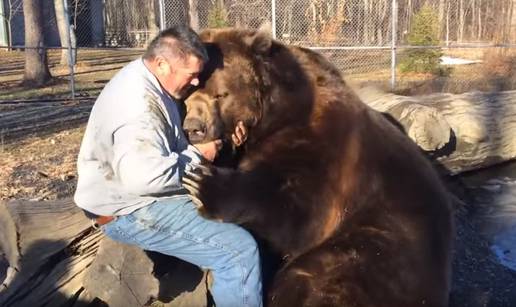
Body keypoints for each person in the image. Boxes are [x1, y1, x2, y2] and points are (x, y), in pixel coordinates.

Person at [74, 25, 262, 307]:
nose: (197, 83)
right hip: (130, 211)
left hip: (137, 198)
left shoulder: (150, 81)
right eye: (192, 74)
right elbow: (144, 178)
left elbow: (167, 146)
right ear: (162, 64)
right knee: (237, 252)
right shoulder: (138, 105)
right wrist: (198, 157)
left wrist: (225, 137)